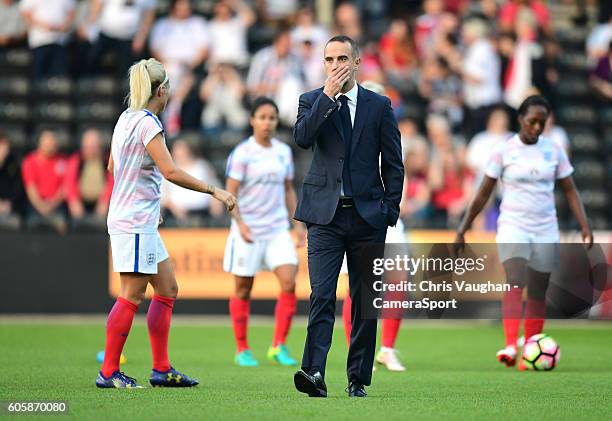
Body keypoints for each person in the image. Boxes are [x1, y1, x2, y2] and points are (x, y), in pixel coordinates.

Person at [97, 58, 236, 388]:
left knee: (167, 287)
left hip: (135, 216)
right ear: (162, 90)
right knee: (131, 294)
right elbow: (170, 171)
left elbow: (113, 166)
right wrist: (214, 190)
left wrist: (145, 198)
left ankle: (161, 369)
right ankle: (108, 373)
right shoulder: (148, 123)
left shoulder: (125, 118)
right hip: (134, 221)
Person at [292, 35, 404, 398]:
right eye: (329, 59)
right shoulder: (311, 100)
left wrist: (389, 209)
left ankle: (357, 379)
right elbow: (303, 139)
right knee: (321, 295)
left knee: (365, 302)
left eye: (342, 58)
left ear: (357, 62)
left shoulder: (379, 105)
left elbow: (393, 162)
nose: (336, 64)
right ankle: (314, 373)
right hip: (324, 218)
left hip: (367, 217)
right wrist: (326, 96)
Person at [454, 95, 592, 371]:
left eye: (542, 122)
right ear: (520, 119)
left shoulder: (554, 150)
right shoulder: (504, 150)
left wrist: (584, 224)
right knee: (515, 278)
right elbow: (484, 191)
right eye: (532, 121)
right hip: (513, 224)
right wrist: (464, 226)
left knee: (539, 289)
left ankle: (531, 346)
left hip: (545, 226)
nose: (537, 128)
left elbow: (569, 190)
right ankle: (508, 344)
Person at [223, 97, 306, 367]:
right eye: (262, 117)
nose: (267, 122)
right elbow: (230, 194)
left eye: (272, 118)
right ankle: (241, 348)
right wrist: (240, 223)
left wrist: (297, 223)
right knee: (243, 289)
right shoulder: (242, 153)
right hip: (247, 230)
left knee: (289, 281)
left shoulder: (283, 152)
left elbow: (288, 189)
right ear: (252, 120)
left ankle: (278, 345)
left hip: (276, 229)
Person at [340, 80, 407, 373]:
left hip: (382, 210)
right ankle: (356, 349)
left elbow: (395, 164)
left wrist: (391, 206)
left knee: (398, 280)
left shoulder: (385, 122)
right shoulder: (345, 128)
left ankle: (387, 349)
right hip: (355, 213)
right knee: (359, 286)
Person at [161, 139, 223, 226]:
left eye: (182, 150)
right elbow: (163, 196)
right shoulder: (168, 171)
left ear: (189, 151)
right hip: (177, 217)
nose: (180, 154)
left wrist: (216, 207)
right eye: (177, 151)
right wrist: (174, 209)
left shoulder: (202, 166)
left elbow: (215, 185)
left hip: (203, 214)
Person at [65, 129, 114, 230]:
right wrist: (73, 201)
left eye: (94, 146)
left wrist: (105, 201)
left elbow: (111, 182)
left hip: (101, 204)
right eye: (87, 147)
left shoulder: (107, 161)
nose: (90, 149)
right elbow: (69, 183)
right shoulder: (76, 161)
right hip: (81, 203)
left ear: (100, 147)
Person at [21, 130, 68, 233]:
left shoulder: (63, 161)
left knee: (62, 223)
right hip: (35, 205)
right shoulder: (30, 162)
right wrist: (41, 206)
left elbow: (65, 187)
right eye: (47, 144)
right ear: (40, 144)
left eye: (52, 143)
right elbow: (30, 188)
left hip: (56, 205)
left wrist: (52, 204)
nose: (50, 146)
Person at [19, 0, 76, 79]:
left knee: (58, 77)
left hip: (60, 42)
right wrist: (45, 26)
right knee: (38, 77)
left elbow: (72, 12)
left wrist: (62, 27)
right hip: (39, 42)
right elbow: (25, 13)